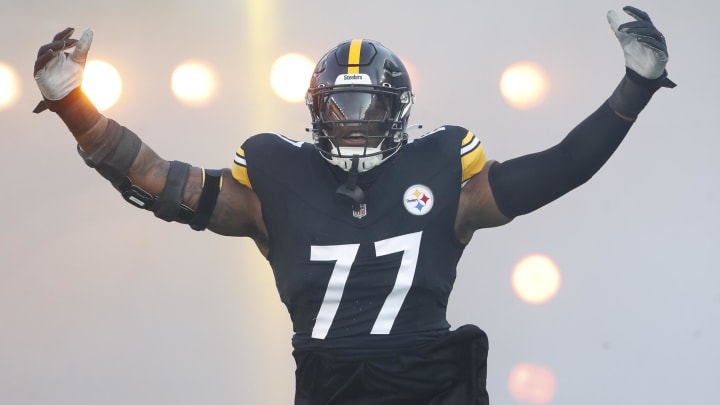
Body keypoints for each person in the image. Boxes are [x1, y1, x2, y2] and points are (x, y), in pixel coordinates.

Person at [32, 5, 674, 405]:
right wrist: (73, 106)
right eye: (343, 110)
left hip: (430, 387)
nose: (357, 125)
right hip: (329, 386)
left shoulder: (445, 175)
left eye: (371, 110)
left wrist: (635, 88)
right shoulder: (273, 183)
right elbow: (155, 182)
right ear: (316, 112)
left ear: (400, 112)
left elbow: (563, 166)